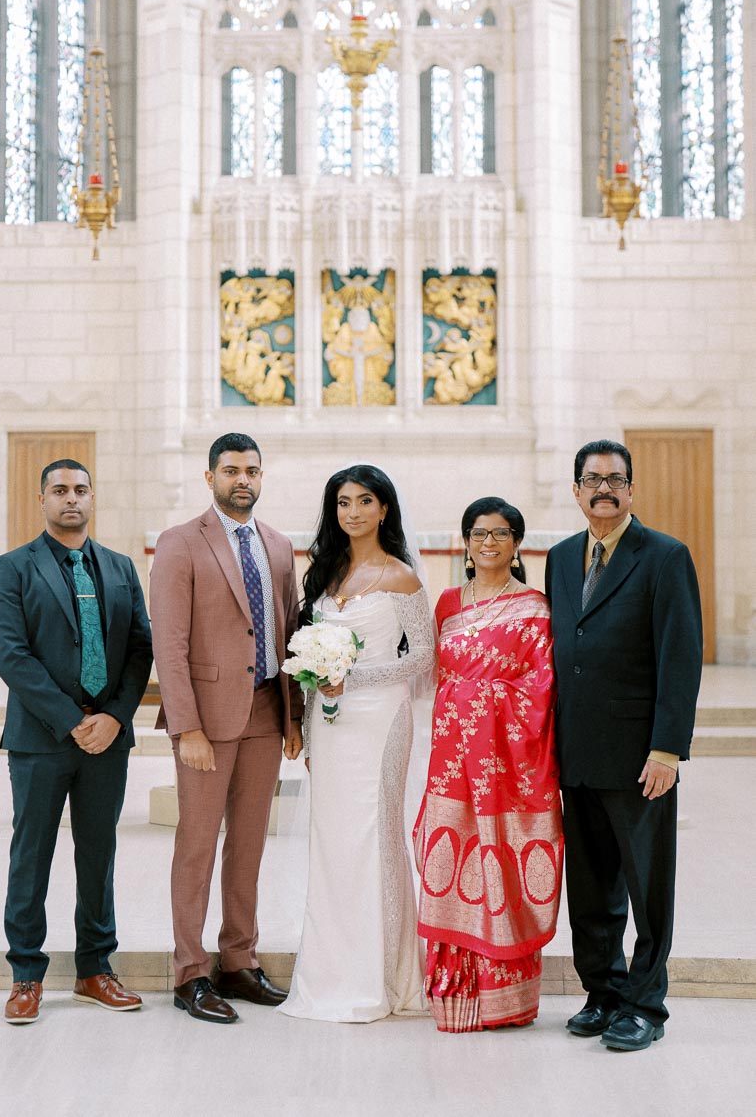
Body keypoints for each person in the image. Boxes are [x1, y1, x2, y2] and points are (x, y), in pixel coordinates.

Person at [545, 440, 702, 1052]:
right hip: (576, 752)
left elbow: (680, 657)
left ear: (631, 489)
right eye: (591, 480)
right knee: (590, 888)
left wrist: (667, 749)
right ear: (577, 490)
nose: (603, 489)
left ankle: (644, 1005)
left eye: (614, 479)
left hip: (640, 758)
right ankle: (602, 992)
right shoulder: (560, 559)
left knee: (646, 888)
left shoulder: (663, 556)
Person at [0, 460, 152, 1024]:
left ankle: (94, 969)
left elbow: (139, 649)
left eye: (81, 490)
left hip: (108, 737)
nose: (71, 500)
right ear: (42, 500)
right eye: (60, 491)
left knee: (98, 854)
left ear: (93, 497)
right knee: (31, 855)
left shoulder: (121, 568)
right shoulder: (13, 567)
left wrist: (112, 717)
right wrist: (70, 719)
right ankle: (26, 976)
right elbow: (12, 655)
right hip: (40, 737)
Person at [150, 433, 303, 1023]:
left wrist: (293, 720)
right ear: (209, 476)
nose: (244, 479)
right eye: (232, 470)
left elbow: (287, 634)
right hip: (207, 723)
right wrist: (185, 726)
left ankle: (239, 959)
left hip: (267, 711)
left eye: (253, 470)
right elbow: (171, 642)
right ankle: (190, 971)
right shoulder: (181, 543)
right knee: (196, 845)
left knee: (249, 844)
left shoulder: (280, 545)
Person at [279, 464, 434, 1023]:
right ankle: (330, 970)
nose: (353, 512)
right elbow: (305, 657)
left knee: (375, 832)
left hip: (381, 718)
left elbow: (423, 659)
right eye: (343, 502)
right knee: (332, 841)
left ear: (384, 509)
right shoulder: (325, 574)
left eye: (365, 501)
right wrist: (306, 714)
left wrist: (355, 677)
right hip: (329, 721)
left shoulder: (402, 577)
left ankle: (383, 975)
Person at [414, 497, 563, 1032]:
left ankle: (508, 1000)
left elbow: (542, 689)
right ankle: (455, 995)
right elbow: (435, 677)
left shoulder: (536, 608)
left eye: (500, 534)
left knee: (501, 863)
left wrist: (481, 699)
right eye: (478, 534)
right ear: (466, 543)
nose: (489, 543)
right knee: (452, 862)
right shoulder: (448, 604)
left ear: (517, 544)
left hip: (509, 771)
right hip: (453, 767)